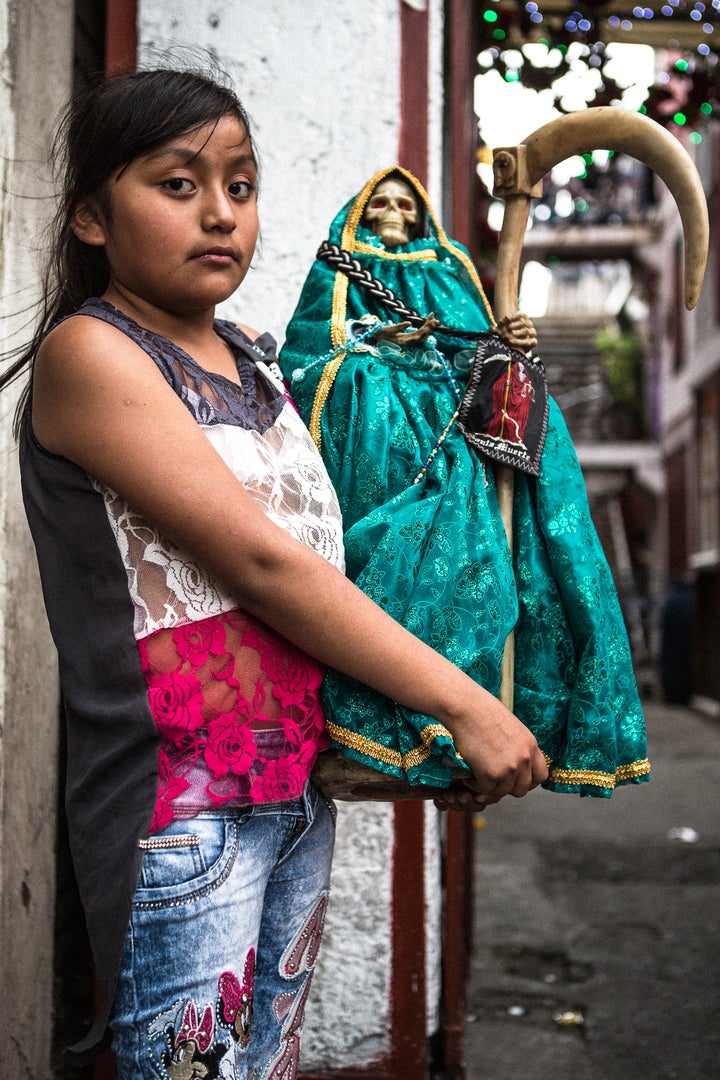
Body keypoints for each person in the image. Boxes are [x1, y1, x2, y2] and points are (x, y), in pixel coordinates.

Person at [0, 69, 547, 1078]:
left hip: (294, 790)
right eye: (178, 185)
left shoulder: (255, 364)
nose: (220, 212)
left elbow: (349, 560)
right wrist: (464, 702)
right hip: (182, 812)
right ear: (88, 215)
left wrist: (419, 738)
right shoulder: (95, 357)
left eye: (241, 187)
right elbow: (265, 566)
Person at [280, 166, 650, 797]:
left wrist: (510, 347)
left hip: (457, 446)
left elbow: (480, 362)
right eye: (383, 205)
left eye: (405, 204)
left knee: (483, 573)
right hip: (384, 447)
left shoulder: (444, 269)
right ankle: (381, 735)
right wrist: (380, 352)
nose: (394, 214)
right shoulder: (342, 266)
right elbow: (313, 358)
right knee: (390, 557)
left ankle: (471, 727)